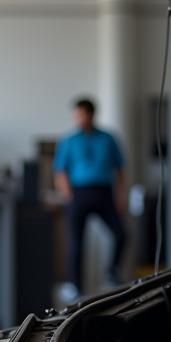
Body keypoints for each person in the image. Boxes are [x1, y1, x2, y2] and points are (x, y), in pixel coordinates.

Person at [53, 97, 127, 295]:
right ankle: (76, 285)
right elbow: (61, 170)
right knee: (76, 242)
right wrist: (68, 195)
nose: (78, 118)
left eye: (82, 113)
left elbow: (120, 169)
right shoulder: (69, 140)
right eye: (76, 114)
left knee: (121, 233)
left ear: (91, 114)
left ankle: (111, 272)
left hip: (104, 192)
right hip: (79, 193)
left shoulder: (108, 138)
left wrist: (121, 196)